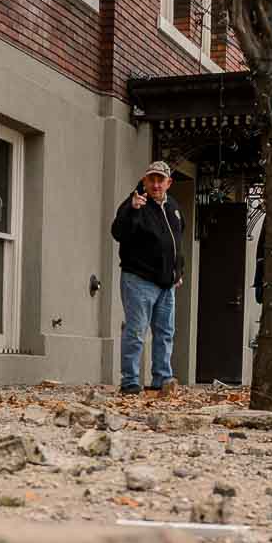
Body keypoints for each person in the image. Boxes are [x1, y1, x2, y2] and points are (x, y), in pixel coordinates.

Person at [110, 161, 185, 395]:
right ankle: (130, 381)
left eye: (160, 180)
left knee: (165, 333)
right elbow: (118, 232)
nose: (155, 184)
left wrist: (178, 273)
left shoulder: (173, 207)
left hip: (167, 284)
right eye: (151, 179)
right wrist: (132, 210)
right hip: (139, 279)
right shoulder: (135, 202)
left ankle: (161, 379)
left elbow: (177, 245)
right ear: (144, 181)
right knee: (136, 331)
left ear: (168, 183)